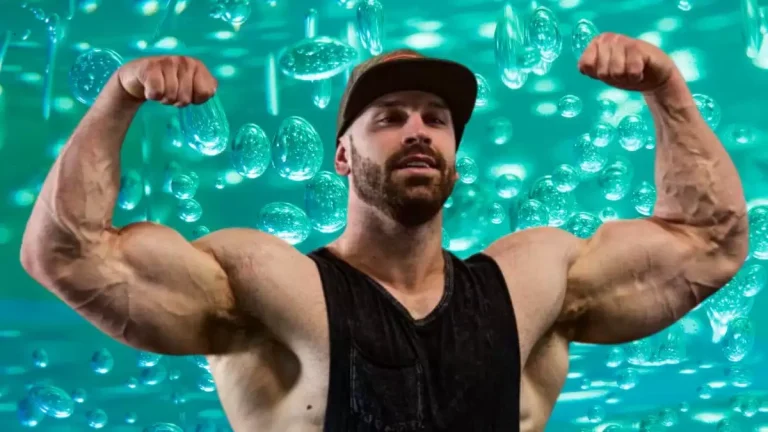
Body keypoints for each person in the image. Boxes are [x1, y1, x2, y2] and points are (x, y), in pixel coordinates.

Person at [20, 32, 748, 432]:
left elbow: (712, 243)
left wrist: (667, 90)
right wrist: (120, 97)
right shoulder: (266, 285)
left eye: (436, 119)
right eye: (390, 118)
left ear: (456, 152)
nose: (418, 131)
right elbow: (64, 254)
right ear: (342, 155)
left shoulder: (535, 283)